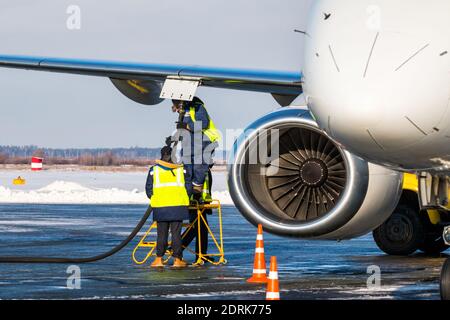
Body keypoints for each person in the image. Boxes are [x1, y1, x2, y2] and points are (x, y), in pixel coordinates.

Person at [146, 146, 191, 268]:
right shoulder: (181, 169)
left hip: (161, 207)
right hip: (177, 206)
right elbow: (188, 187)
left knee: (161, 234)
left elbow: (148, 189)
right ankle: (177, 260)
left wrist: (156, 198)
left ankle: (159, 259)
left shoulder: (154, 170)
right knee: (176, 234)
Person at [172, 97, 220, 200]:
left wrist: (186, 126)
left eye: (176, 105)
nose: (176, 110)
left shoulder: (197, 107)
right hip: (190, 143)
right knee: (187, 166)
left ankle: (197, 190)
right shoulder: (184, 111)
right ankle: (190, 193)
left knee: (199, 165)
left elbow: (204, 123)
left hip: (203, 140)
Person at [181, 167, 213, 262]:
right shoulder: (197, 168)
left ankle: (202, 255)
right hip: (194, 203)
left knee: (202, 230)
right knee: (195, 228)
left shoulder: (204, 169)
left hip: (201, 203)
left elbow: (206, 188)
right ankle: (176, 248)